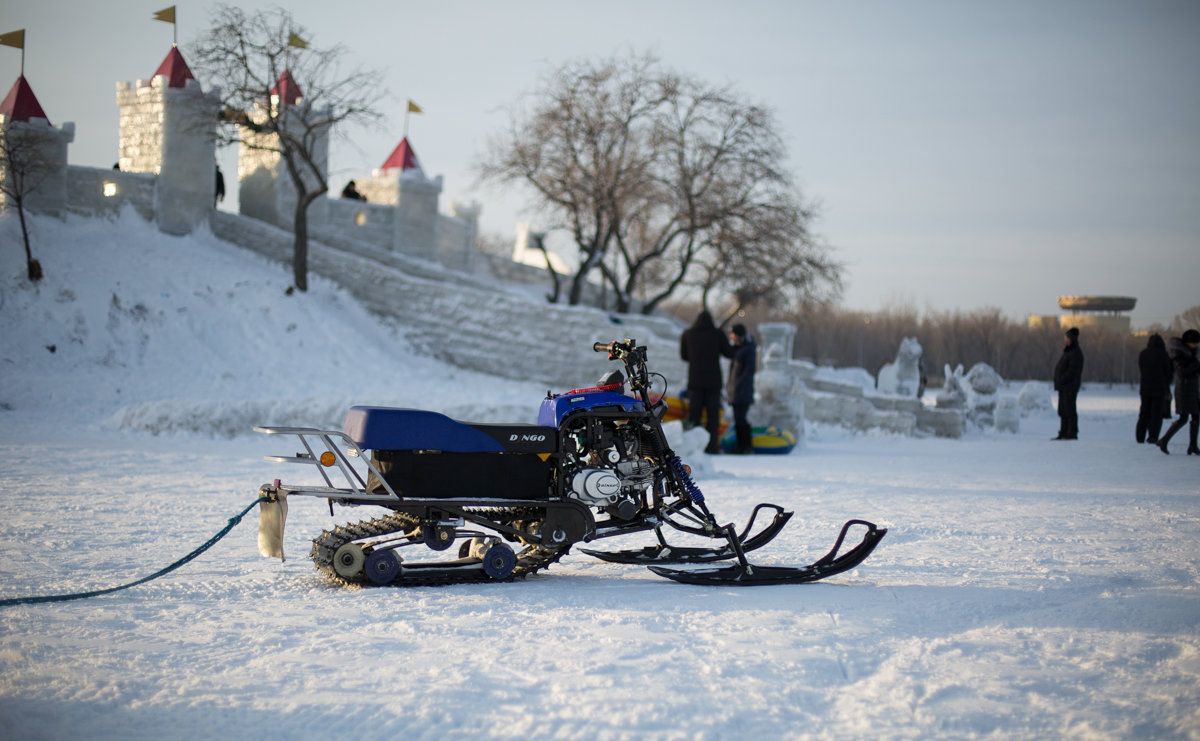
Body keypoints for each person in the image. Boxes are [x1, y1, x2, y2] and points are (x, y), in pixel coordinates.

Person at [680, 310, 733, 454]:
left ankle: (695, 447)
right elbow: (729, 353)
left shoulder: (688, 334)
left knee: (694, 415)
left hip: (695, 381)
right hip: (713, 382)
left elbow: (684, 356)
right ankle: (711, 446)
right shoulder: (718, 334)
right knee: (713, 416)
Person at [1157, 328, 1200, 456]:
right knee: (1183, 418)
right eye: (1194, 342)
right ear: (1188, 342)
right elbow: (1183, 371)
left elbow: (1193, 370)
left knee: (1196, 417)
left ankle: (1193, 445)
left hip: (1193, 388)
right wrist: (1196, 365)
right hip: (1184, 390)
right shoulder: (1178, 353)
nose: (1196, 345)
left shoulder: (1191, 354)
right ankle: (1164, 440)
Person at [1136, 333, 1174, 444]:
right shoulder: (1163, 355)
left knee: (1144, 413)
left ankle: (1140, 436)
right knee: (1156, 414)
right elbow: (1168, 372)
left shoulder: (1143, 354)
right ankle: (1153, 436)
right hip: (1159, 389)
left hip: (1144, 388)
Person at [727, 323, 757, 454]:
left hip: (742, 391)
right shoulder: (739, 348)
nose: (731, 337)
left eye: (732, 334)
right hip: (736, 390)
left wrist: (737, 384)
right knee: (738, 419)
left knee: (741, 419)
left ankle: (746, 446)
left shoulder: (748, 349)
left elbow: (749, 370)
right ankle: (741, 446)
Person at [1052, 327, 1084, 440]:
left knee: (1069, 410)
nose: (1066, 340)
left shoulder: (1075, 353)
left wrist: (1062, 379)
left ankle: (1071, 432)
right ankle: (1064, 432)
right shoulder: (1068, 351)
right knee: (1063, 410)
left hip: (1069, 387)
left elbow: (1073, 371)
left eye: (1067, 338)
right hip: (1063, 387)